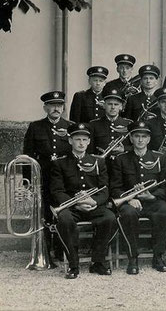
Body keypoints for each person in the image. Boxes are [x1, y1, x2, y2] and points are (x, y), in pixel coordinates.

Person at [50, 123, 117, 279]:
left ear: (88, 142)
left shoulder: (98, 161)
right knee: (64, 220)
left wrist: (93, 202)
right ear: (70, 141)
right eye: (77, 139)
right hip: (72, 207)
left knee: (110, 218)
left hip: (93, 205)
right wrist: (77, 203)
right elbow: (57, 191)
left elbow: (104, 189)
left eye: (84, 139)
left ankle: (98, 262)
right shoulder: (60, 163)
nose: (81, 143)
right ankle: (73, 264)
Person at [110, 121, 166, 274]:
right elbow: (115, 187)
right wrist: (129, 199)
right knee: (128, 214)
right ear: (130, 138)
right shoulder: (121, 159)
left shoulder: (159, 158)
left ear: (149, 139)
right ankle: (133, 257)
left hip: (152, 201)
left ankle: (158, 256)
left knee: (165, 210)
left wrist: (152, 195)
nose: (140, 140)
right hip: (130, 202)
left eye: (144, 137)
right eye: (136, 136)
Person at [23, 91, 72, 258]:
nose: (56, 108)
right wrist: (27, 181)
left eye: (59, 105)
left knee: (62, 210)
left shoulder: (70, 127)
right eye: (52, 105)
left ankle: (60, 249)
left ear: (63, 108)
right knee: (43, 211)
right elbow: (27, 156)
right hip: (42, 177)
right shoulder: (35, 127)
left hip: (64, 179)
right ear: (45, 108)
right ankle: (44, 250)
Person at [88, 86, 132, 163]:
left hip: (123, 165)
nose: (113, 107)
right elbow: (90, 150)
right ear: (104, 105)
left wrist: (124, 149)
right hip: (102, 165)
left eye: (116, 104)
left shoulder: (129, 124)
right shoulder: (94, 124)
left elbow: (137, 147)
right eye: (109, 104)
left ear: (121, 107)